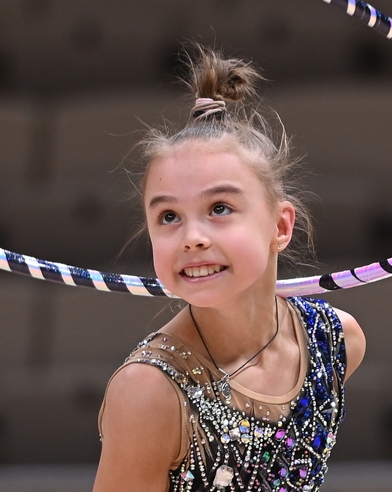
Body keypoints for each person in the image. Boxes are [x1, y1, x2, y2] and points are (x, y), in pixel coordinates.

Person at [93, 47, 366, 492]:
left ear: (280, 225)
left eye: (219, 208)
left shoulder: (335, 342)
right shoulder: (148, 393)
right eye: (168, 217)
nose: (191, 237)